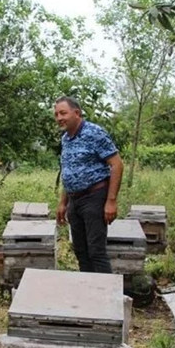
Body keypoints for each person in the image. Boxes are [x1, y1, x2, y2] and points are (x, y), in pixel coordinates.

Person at [54, 96, 123, 273]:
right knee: (80, 251)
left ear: (76, 113)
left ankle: (106, 296)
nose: (59, 118)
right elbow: (68, 172)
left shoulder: (94, 133)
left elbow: (116, 164)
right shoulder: (65, 139)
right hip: (74, 200)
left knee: (96, 251)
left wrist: (111, 201)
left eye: (63, 113)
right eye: (56, 115)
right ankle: (88, 293)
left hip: (94, 197)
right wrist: (63, 202)